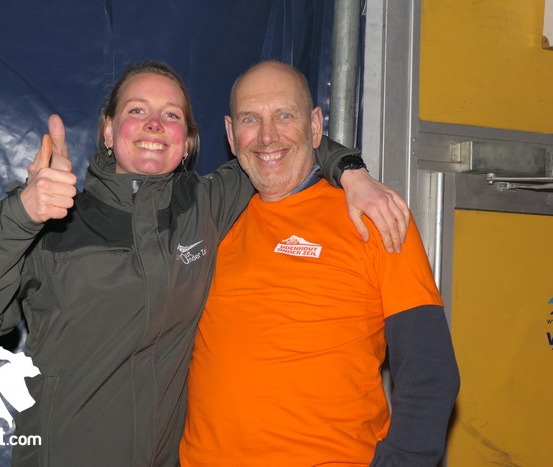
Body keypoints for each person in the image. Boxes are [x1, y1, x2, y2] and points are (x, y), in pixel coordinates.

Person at [0, 60, 409, 466]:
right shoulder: (52, 217)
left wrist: (351, 171)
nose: (154, 124)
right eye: (137, 111)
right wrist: (21, 214)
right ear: (109, 130)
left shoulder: (206, 204)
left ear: (188, 141)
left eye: (171, 115)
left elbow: (277, 142)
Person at [180, 61, 460, 466]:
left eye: (284, 116)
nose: (267, 136)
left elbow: (429, 372)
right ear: (230, 133)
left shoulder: (374, 216)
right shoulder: (210, 223)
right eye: (250, 119)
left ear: (315, 126)